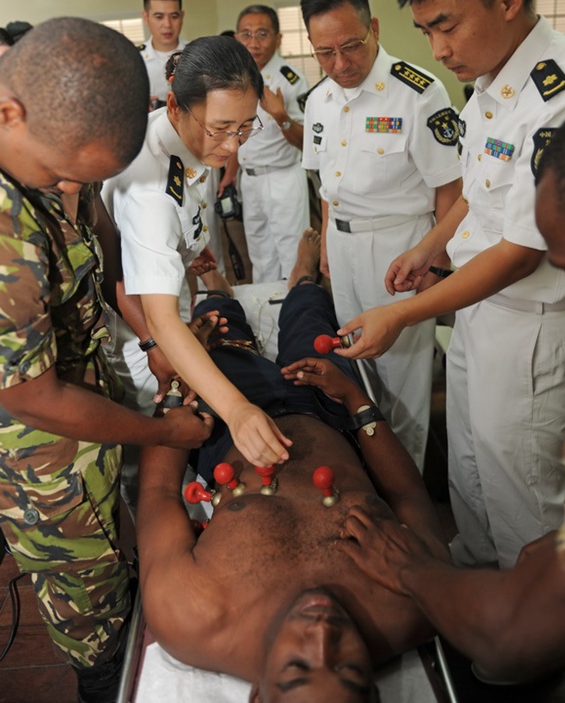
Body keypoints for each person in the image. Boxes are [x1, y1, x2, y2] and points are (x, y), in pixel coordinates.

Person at [336, 0, 565, 569]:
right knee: (473, 459)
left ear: (507, 1)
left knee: (521, 481)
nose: (436, 51)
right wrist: (430, 248)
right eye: (424, 32)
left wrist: (403, 313)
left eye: (445, 26)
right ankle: (480, 573)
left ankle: (537, 642)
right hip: (481, 308)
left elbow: (521, 249)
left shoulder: (561, 98)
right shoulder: (490, 82)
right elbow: (481, 195)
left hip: (532, 321)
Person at [136, 230, 450, 695]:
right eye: (348, 669)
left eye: (297, 668)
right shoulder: (413, 601)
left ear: (259, 695)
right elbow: (406, 493)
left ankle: (218, 286)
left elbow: (159, 492)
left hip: (223, 427)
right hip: (327, 408)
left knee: (214, 332)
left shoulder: (190, 613)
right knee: (310, 317)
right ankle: (303, 274)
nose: (323, 637)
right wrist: (355, 399)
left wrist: (183, 387)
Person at [337, 100, 565, 684]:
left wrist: (412, 572)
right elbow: (536, 561)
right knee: (495, 489)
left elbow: (514, 629)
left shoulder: (554, 94)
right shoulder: (488, 98)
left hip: (524, 627)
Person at [0, 18, 212, 703]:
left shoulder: (45, 155)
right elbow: (31, 397)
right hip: (40, 456)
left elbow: (91, 261)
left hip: (83, 413)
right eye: (62, 175)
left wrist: (151, 338)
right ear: (9, 113)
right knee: (100, 635)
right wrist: (161, 433)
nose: (70, 190)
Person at [101, 35, 293, 481]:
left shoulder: (187, 139)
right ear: (174, 105)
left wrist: (185, 246)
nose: (232, 146)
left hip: (165, 311)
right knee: (165, 469)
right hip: (139, 339)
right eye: (221, 128)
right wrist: (238, 411)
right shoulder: (151, 189)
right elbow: (161, 320)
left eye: (246, 127)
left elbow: (177, 215)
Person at [300, 0, 462, 471]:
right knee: (357, 368)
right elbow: (327, 185)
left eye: (350, 46)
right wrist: (328, 242)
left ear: (372, 27)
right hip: (345, 251)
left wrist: (436, 267)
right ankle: (375, 479)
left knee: (403, 378)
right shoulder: (320, 99)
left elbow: (451, 190)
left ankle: (410, 497)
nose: (340, 64)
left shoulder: (419, 92)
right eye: (324, 52)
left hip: (402, 250)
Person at [225, 4, 310, 283]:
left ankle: (294, 319)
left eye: (262, 34)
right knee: (260, 256)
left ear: (278, 38)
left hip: (283, 178)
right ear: (237, 38)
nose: (254, 42)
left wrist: (280, 115)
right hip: (250, 180)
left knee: (290, 255)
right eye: (246, 34)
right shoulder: (235, 76)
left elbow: (306, 142)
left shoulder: (291, 79)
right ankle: (269, 323)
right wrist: (230, 173)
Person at [139, 0, 186, 111]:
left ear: (182, 16)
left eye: (174, 16)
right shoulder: (135, 59)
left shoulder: (198, 55)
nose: (167, 24)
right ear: (146, 17)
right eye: (159, 17)